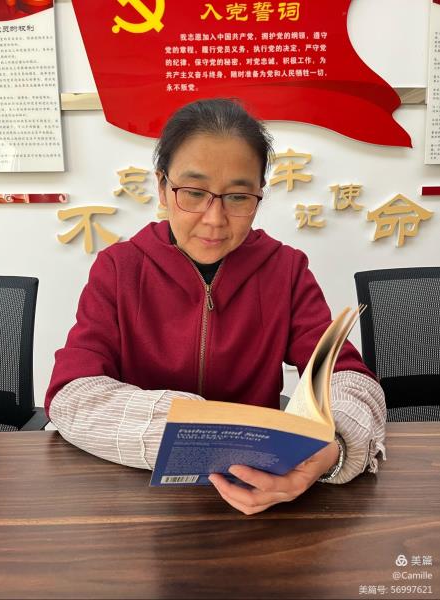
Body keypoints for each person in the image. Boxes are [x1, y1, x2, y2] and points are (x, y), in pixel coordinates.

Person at [45, 98, 386, 515]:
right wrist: (195, 426)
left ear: (259, 195)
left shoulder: (286, 270)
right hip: (140, 500)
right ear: (162, 187)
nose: (214, 219)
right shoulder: (119, 268)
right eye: (193, 192)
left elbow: (349, 378)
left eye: (238, 197)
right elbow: (72, 392)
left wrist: (333, 450)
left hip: (266, 493)